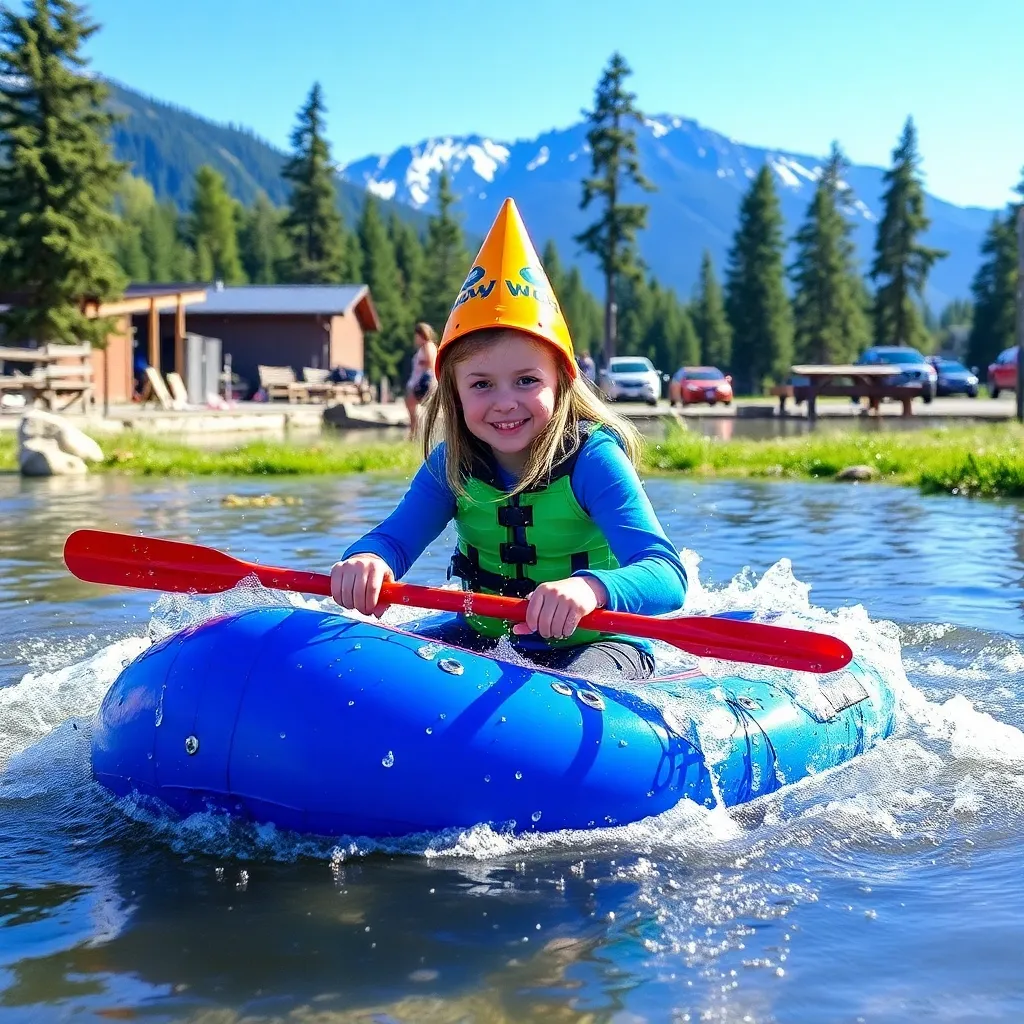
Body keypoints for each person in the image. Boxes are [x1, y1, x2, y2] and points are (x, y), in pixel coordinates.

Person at [330, 198, 686, 681]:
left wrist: (589, 590)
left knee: (556, 702)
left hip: (601, 644)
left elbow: (666, 574)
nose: (504, 402)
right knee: (365, 669)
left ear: (561, 381)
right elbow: (395, 538)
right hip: (484, 635)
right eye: (481, 384)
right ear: (454, 394)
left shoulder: (593, 460)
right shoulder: (449, 465)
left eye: (526, 380)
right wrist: (368, 559)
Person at [405, 322, 438, 440]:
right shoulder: (427, 346)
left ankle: (414, 433)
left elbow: (431, 363)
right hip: (422, 380)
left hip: (424, 381)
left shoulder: (428, 346)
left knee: (412, 405)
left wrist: (420, 363)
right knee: (414, 406)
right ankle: (415, 433)